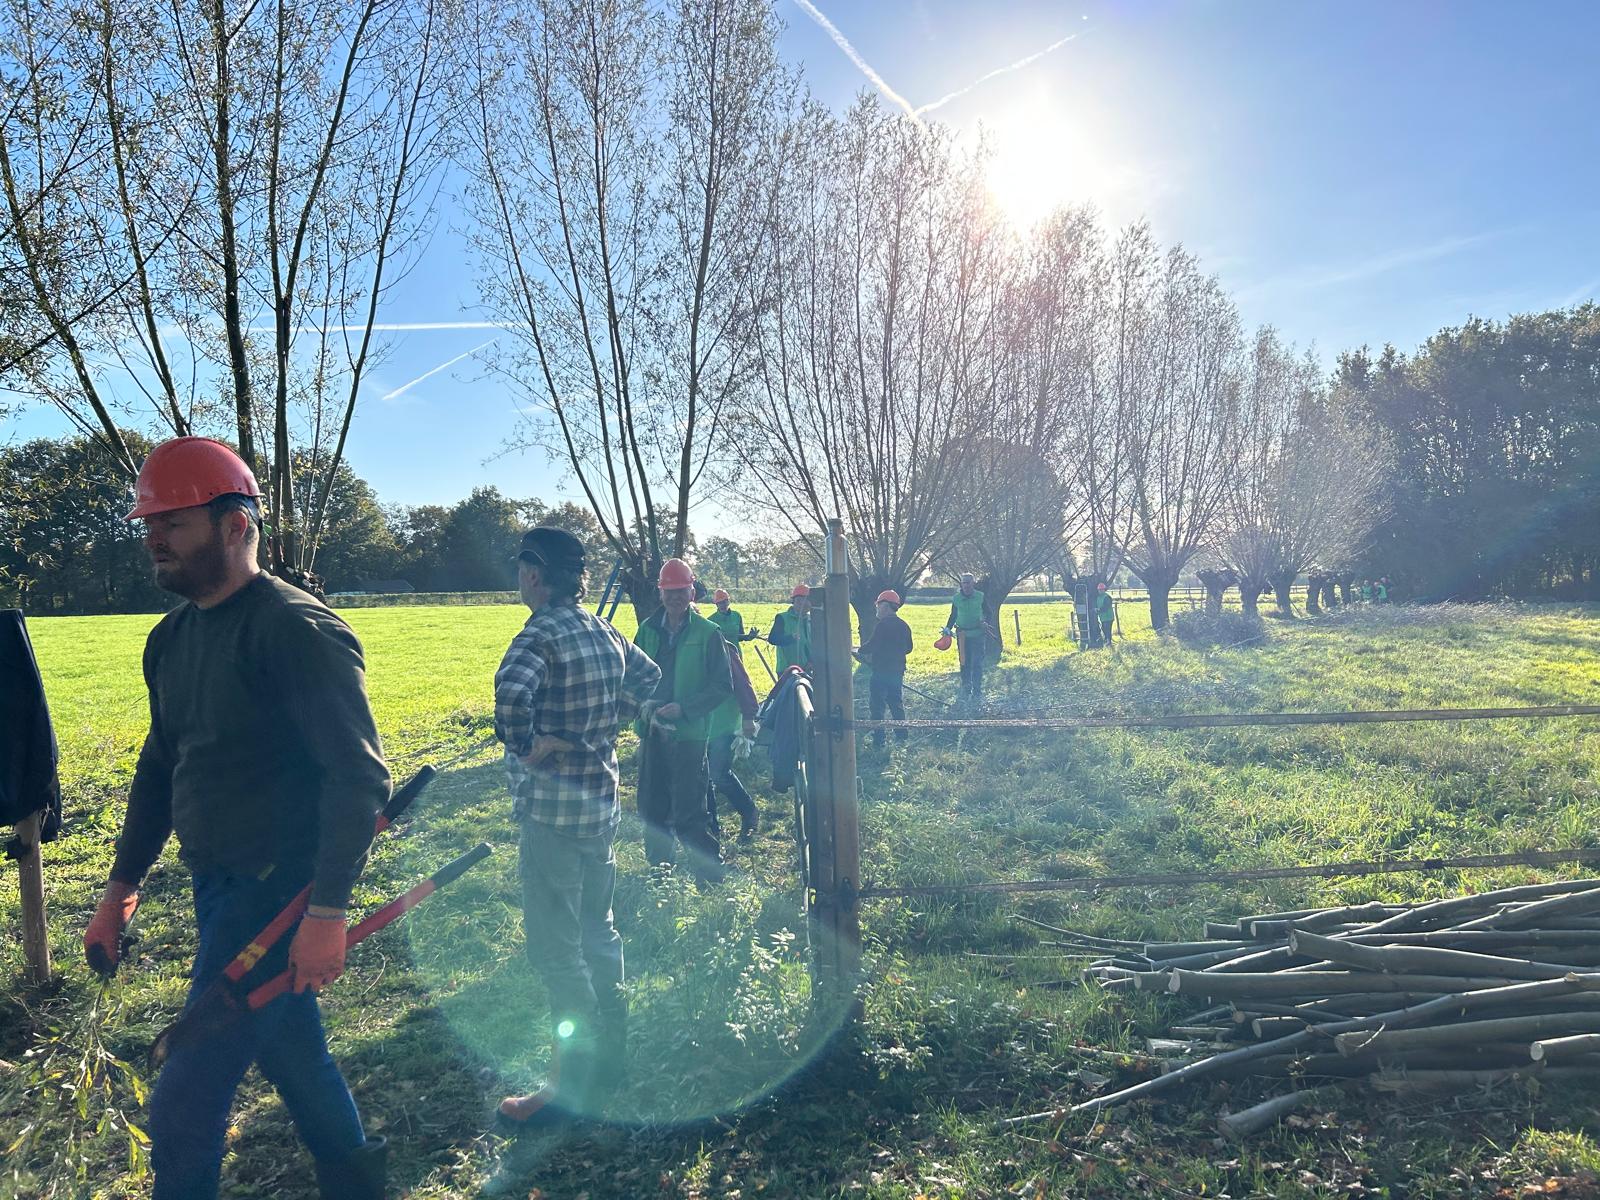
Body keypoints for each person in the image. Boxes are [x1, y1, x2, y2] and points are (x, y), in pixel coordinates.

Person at [84, 437, 392, 1200]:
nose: (154, 540)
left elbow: (357, 777)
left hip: (279, 894)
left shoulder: (296, 630)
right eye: (148, 526)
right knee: (292, 1051)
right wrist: (121, 883)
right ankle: (360, 1187)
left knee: (186, 1097)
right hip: (216, 884)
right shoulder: (171, 639)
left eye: (173, 525)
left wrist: (325, 910)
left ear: (235, 525)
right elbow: (162, 766)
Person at [493, 527, 662, 1132]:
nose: (519, 579)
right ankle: (612, 1054)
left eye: (521, 569)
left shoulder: (539, 634)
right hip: (601, 809)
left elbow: (509, 700)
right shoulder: (603, 630)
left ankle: (569, 1084)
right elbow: (650, 681)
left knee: (556, 949)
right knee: (600, 929)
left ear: (535, 574)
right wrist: (600, 729)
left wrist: (535, 745)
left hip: (552, 816)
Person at [633, 559, 733, 882]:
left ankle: (709, 879)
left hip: (689, 735)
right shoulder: (646, 630)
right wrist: (644, 706)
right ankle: (661, 875)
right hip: (653, 733)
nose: (675, 597)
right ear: (661, 593)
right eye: (669, 591)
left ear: (692, 591)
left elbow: (722, 686)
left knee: (691, 810)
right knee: (652, 807)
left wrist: (685, 709)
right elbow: (631, 678)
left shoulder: (709, 633)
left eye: (681, 591)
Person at [705, 638, 760, 844]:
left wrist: (748, 715)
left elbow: (742, 683)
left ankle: (749, 812)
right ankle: (710, 828)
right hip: (697, 725)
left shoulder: (721, 645)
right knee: (702, 777)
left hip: (724, 722)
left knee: (717, 773)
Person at [855, 590, 913, 749]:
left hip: (880, 673)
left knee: (877, 706)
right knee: (896, 704)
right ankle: (902, 736)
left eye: (878, 605)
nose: (877, 609)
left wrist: (859, 651)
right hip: (897, 672)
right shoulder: (904, 625)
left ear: (886, 606)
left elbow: (872, 645)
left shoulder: (882, 625)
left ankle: (879, 740)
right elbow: (909, 648)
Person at [943, 574, 988, 705]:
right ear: (961, 584)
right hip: (962, 635)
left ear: (973, 583)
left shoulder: (980, 596)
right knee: (964, 663)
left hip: (978, 635)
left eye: (968, 583)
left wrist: (985, 621)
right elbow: (953, 615)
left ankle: (977, 691)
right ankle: (966, 688)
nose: (966, 585)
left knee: (977, 663)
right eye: (964, 583)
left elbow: (988, 612)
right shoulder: (956, 598)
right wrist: (947, 628)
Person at [767, 583, 813, 675]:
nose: (802, 604)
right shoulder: (782, 618)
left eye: (806, 601)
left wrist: (812, 661)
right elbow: (772, 639)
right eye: (799, 601)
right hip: (786, 669)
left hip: (807, 668)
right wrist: (790, 638)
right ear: (794, 601)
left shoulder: (811, 620)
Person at [1095, 582, 1115, 648]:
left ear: (1104, 589)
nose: (1100, 591)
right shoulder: (1098, 598)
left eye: (1102, 589)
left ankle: (1109, 642)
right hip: (1103, 617)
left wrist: (1098, 610)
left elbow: (1106, 607)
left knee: (1107, 629)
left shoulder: (1107, 597)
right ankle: (1107, 640)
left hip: (1109, 616)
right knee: (1104, 629)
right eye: (1099, 590)